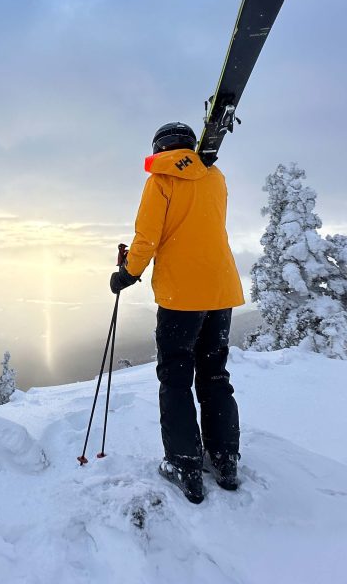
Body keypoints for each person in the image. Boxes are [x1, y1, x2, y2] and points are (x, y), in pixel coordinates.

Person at [110, 122, 245, 504]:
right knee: (215, 374)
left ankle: (184, 464)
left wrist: (126, 274)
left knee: (175, 376)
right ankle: (224, 459)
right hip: (220, 292)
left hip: (180, 298)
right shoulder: (215, 177)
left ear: (160, 148)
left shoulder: (161, 181)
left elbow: (148, 237)